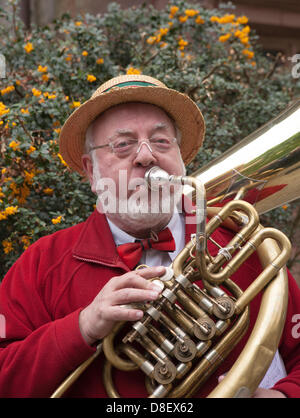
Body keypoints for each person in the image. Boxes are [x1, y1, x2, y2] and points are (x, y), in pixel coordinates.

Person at [0, 74, 299, 398]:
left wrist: (285, 394)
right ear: (91, 170)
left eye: (161, 141)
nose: (146, 156)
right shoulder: (44, 263)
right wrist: (82, 326)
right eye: (123, 144)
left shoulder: (242, 244)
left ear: (180, 161)